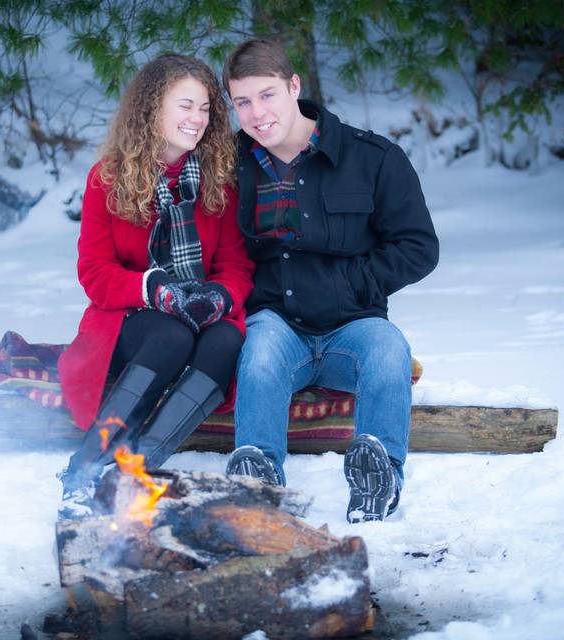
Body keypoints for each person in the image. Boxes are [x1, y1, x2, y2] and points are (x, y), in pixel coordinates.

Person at [221, 39, 439, 523]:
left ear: (295, 86)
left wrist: (356, 285)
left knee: (390, 351)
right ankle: (259, 480)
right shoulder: (230, 168)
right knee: (257, 356)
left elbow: (419, 247)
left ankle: (379, 479)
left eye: (268, 94)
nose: (257, 113)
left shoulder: (373, 159)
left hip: (354, 326)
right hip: (277, 325)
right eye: (242, 102)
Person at [56, 54, 254, 519]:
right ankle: (83, 470)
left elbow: (236, 266)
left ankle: (136, 469)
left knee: (227, 337)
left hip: (198, 311)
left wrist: (220, 295)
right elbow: (95, 273)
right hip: (132, 317)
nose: (197, 120)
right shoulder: (107, 179)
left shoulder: (217, 181)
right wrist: (152, 288)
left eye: (205, 108)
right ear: (152, 108)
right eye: (185, 105)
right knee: (171, 334)